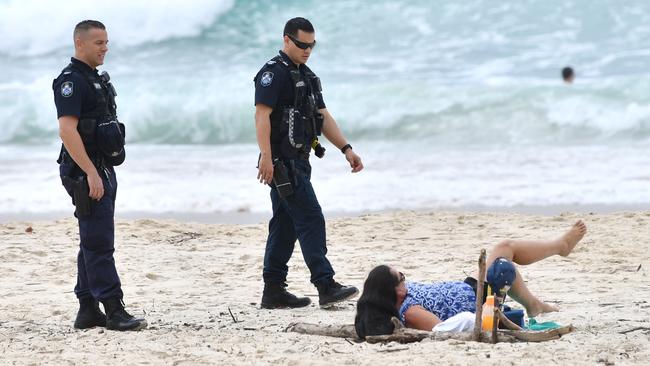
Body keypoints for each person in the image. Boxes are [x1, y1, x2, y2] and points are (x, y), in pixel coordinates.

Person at [253, 17, 364, 309]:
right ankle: (325, 284)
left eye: (311, 46)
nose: (307, 50)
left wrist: (346, 148)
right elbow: (261, 116)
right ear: (286, 40)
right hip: (281, 162)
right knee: (310, 217)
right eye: (302, 44)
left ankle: (273, 290)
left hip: (300, 161)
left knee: (285, 225)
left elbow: (323, 116)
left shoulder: (308, 76)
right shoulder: (272, 74)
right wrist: (266, 157)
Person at [53, 20, 146, 331]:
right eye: (98, 43)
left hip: (100, 166)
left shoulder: (95, 79)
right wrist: (91, 173)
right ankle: (114, 309)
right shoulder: (71, 81)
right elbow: (67, 130)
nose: (105, 48)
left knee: (91, 238)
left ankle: (87, 308)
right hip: (85, 170)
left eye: (106, 42)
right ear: (80, 44)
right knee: (99, 241)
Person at [354, 220, 588, 338]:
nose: (405, 278)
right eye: (401, 277)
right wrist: (480, 317)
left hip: (468, 288)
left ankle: (535, 304)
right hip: (478, 301)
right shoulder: (410, 311)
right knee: (504, 257)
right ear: (396, 291)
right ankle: (561, 247)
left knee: (504, 249)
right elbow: (441, 329)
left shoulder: (399, 295)